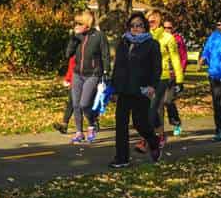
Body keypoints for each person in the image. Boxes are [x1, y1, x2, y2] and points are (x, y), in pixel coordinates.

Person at [110, 12, 162, 168]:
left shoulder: (152, 44)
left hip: (141, 89)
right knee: (121, 124)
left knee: (140, 123)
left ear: (145, 27)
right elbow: (118, 66)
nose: (135, 28)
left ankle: (153, 141)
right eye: (132, 25)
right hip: (124, 89)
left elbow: (156, 68)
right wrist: (113, 88)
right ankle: (122, 158)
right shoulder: (124, 42)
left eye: (139, 25)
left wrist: (152, 86)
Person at [64, 10, 110, 143]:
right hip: (78, 73)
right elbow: (68, 54)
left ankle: (91, 124)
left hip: (93, 74)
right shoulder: (78, 37)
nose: (76, 25)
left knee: (84, 104)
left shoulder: (99, 36)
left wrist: (106, 72)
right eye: (75, 23)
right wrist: (73, 38)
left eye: (79, 23)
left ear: (87, 23)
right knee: (76, 104)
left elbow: (105, 55)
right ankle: (79, 132)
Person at [149, 9, 186, 139]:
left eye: (153, 20)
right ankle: (154, 131)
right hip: (149, 77)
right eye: (148, 21)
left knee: (166, 101)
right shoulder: (145, 36)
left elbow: (178, 58)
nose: (151, 23)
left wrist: (179, 79)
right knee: (151, 105)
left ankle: (165, 130)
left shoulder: (170, 38)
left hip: (167, 76)